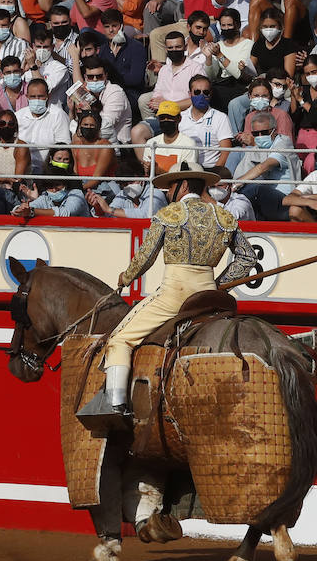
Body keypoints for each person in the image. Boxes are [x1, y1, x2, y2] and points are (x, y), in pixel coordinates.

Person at [80, 161, 257, 426]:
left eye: (171, 186)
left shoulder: (170, 214)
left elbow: (146, 257)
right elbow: (247, 258)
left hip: (174, 296)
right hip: (209, 296)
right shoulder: (224, 216)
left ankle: (115, 406)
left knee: (119, 340)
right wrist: (219, 284)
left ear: (183, 185)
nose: (167, 192)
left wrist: (126, 277)